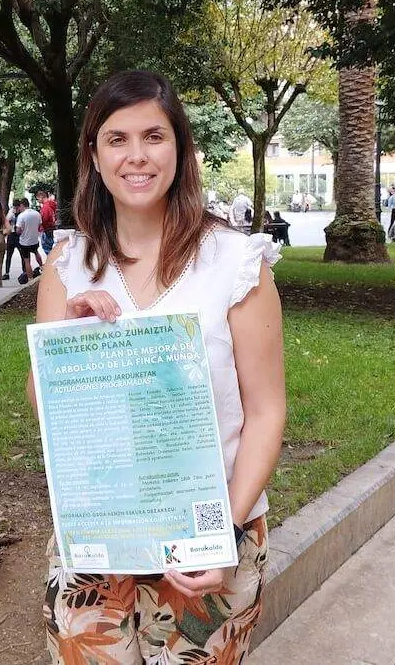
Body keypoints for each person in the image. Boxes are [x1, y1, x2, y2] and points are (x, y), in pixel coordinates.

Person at [31, 70, 285, 662]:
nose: (136, 156)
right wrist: (71, 340)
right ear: (93, 156)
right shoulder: (67, 264)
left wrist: (225, 532)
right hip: (97, 537)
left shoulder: (235, 263)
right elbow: (46, 411)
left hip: (212, 538)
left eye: (154, 136)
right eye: (117, 139)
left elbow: (267, 411)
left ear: (180, 148)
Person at [14, 197, 43, 283]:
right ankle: (42, 267)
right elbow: (39, 225)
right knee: (36, 252)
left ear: (22, 205)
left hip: (24, 242)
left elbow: (18, 230)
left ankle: (30, 278)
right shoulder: (36, 214)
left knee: (27, 260)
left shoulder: (21, 216)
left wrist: (19, 231)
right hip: (34, 239)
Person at [37, 190, 58, 255]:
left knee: (48, 250)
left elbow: (44, 220)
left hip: (47, 230)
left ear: (41, 197)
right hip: (52, 229)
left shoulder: (45, 207)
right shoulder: (52, 205)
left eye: (38, 198)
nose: (37, 200)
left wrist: (40, 226)